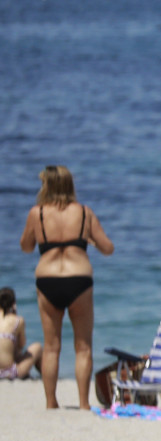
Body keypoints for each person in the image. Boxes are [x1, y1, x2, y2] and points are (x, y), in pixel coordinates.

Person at [19, 165, 114, 410]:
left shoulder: (36, 213)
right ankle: (83, 404)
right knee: (83, 346)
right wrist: (89, 240)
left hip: (48, 279)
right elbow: (108, 248)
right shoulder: (84, 212)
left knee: (51, 346)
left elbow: (26, 246)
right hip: (79, 279)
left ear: (47, 186)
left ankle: (51, 403)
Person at [0, 287, 42, 380]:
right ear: (13, 304)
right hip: (9, 372)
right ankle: (45, 376)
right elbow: (21, 345)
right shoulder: (18, 320)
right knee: (37, 347)